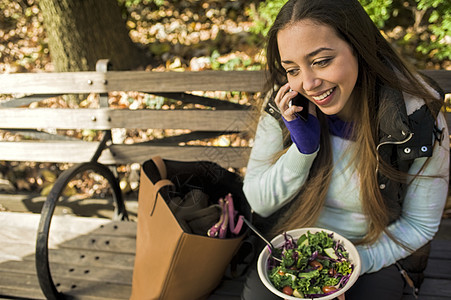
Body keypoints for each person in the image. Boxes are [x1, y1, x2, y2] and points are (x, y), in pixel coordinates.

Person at [241, 0, 449, 299]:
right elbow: (259, 204)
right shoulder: (285, 105)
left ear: (361, 49)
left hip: (374, 251)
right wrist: (303, 151)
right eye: (292, 69)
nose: (308, 84)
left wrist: (350, 264)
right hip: (294, 245)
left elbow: (420, 224)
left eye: (322, 61)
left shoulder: (416, 118)